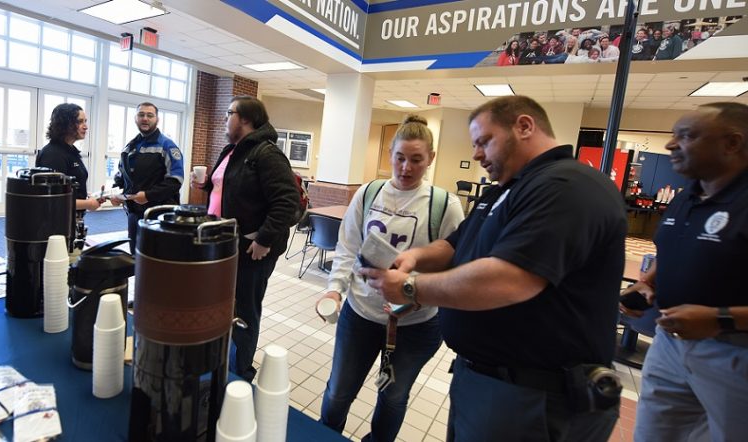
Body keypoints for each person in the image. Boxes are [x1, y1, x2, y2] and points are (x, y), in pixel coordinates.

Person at [361, 96, 627, 441]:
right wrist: (416, 258)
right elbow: (455, 244)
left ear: (524, 126)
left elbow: (510, 279)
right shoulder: (506, 190)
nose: (475, 154)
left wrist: (411, 288)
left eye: (484, 141)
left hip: (534, 396)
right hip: (488, 382)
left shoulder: (566, 187)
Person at [316, 115, 464, 441]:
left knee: (394, 396)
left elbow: (454, 267)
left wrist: (416, 296)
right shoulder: (369, 193)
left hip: (415, 326)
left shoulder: (444, 205)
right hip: (360, 314)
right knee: (339, 391)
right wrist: (335, 289)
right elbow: (348, 245)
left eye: (416, 160)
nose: (406, 167)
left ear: (431, 159)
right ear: (390, 154)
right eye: (400, 157)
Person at [622, 102, 748, 441]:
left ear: (732, 143)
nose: (671, 145)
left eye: (687, 136)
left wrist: (720, 318)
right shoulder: (688, 196)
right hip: (669, 345)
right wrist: (647, 282)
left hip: (735, 352)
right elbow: (671, 249)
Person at [194, 95, 299, 383]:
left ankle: (239, 373)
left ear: (246, 119)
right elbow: (229, 188)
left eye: (229, 113)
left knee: (244, 309)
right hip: (224, 243)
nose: (224, 118)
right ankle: (221, 358)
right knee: (222, 303)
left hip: (252, 249)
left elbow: (286, 201)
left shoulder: (266, 154)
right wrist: (206, 185)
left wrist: (264, 239)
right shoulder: (232, 150)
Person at [111, 102, 184, 254]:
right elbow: (121, 176)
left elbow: (176, 180)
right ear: (135, 118)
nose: (145, 118)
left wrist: (148, 195)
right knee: (136, 255)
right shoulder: (130, 146)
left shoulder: (167, 146)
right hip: (134, 213)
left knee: (157, 258)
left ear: (157, 119)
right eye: (141, 115)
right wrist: (115, 192)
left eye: (150, 115)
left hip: (160, 214)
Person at [36, 103, 104, 249]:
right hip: (56, 225)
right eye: (80, 122)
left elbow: (70, 187)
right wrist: (88, 204)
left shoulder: (71, 151)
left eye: (85, 121)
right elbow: (54, 200)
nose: (85, 126)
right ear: (65, 124)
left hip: (70, 220)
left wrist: (89, 196)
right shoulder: (53, 154)